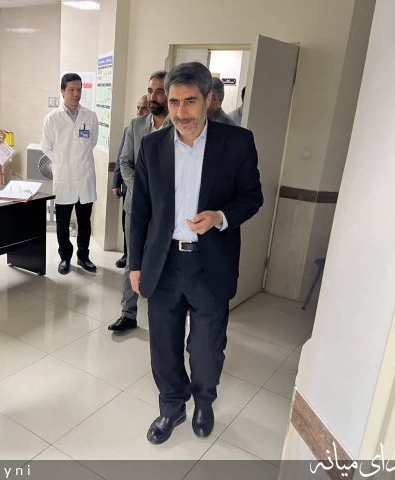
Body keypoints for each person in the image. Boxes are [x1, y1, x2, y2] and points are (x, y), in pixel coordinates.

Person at [129, 62, 263, 444]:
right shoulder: (152, 146)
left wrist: (221, 217)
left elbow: (253, 197)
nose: (181, 112)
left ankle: (204, 401)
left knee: (207, 347)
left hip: (210, 264)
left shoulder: (237, 142)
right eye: (173, 102)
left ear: (209, 100)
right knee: (164, 345)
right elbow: (140, 212)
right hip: (163, 263)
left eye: (190, 101)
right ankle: (172, 406)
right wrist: (135, 265)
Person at [108, 72, 170, 333]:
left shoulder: (178, 127)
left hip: (165, 211)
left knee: (165, 263)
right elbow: (125, 162)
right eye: (150, 90)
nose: (153, 96)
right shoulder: (136, 126)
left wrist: (158, 199)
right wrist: (142, 193)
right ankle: (128, 313)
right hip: (135, 207)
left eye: (159, 91)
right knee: (133, 261)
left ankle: (164, 318)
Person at [41, 73, 99, 275]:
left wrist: (77, 162)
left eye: (79, 89)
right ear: (62, 91)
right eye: (72, 89)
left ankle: (83, 256)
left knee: (85, 223)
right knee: (63, 223)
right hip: (64, 178)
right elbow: (46, 147)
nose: (76, 94)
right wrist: (63, 162)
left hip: (85, 178)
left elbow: (92, 143)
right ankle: (65, 258)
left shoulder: (90, 116)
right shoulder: (52, 118)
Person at [112, 94, 148, 269]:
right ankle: (126, 254)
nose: (139, 111)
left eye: (144, 108)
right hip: (129, 187)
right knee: (127, 223)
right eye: (138, 108)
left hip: (146, 190)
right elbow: (122, 157)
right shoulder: (131, 128)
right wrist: (115, 183)